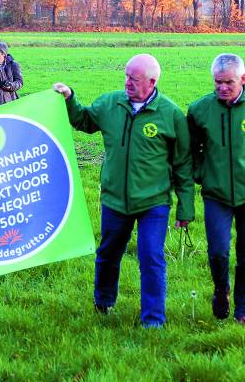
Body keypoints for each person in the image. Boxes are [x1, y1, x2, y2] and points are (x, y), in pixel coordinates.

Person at [53, 54, 194, 328]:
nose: (128, 82)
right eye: (127, 76)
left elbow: (183, 164)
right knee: (108, 253)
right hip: (115, 199)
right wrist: (69, 98)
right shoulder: (110, 103)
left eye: (135, 79)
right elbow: (84, 120)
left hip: (154, 202)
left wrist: (185, 207)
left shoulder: (171, 114)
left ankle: (153, 319)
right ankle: (103, 302)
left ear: (152, 82)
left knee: (151, 257)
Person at [188, 53, 245, 322]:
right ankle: (221, 288)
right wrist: (201, 173)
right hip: (216, 194)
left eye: (228, 83)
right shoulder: (200, 110)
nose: (222, 88)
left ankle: (243, 308)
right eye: (217, 82)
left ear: (242, 79)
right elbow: (192, 149)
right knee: (219, 251)